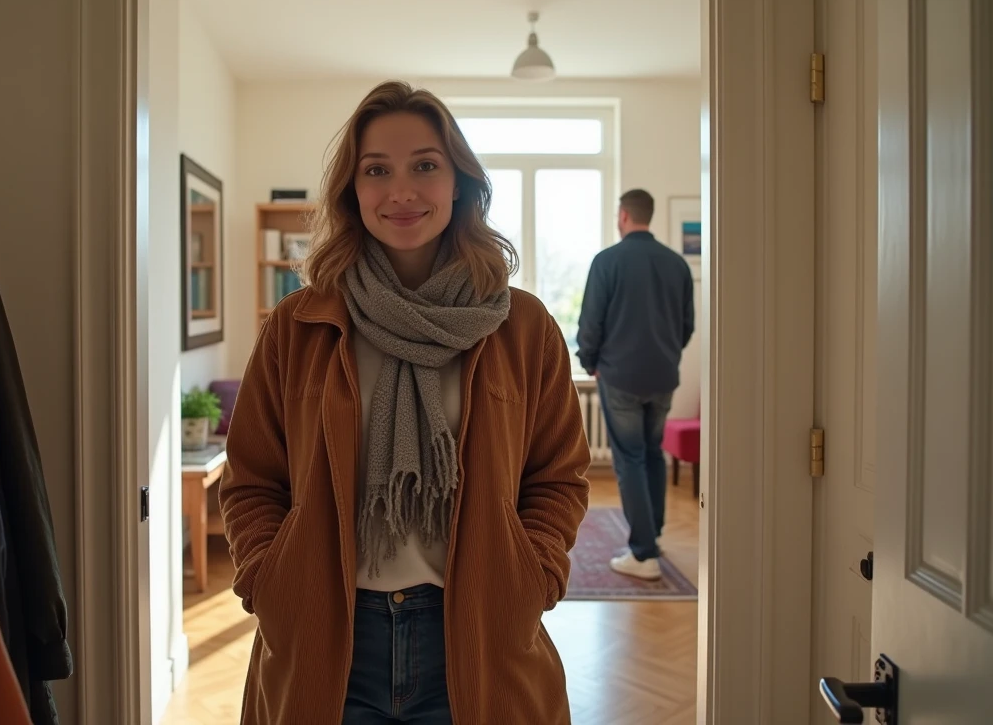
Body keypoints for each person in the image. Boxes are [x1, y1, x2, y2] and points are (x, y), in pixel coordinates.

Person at [219, 80, 592, 724]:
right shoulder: (299, 326)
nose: (401, 191)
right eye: (376, 170)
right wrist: (269, 580)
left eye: (425, 165)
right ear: (352, 190)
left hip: (480, 637)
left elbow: (558, 476)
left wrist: (531, 579)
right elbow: (252, 480)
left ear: (460, 183)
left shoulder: (521, 327)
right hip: (326, 640)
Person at [575, 188, 695, 580]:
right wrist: (667, 356)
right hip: (663, 376)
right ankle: (652, 536)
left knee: (629, 459)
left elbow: (591, 322)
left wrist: (590, 362)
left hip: (620, 376)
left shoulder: (607, 261)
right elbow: (686, 325)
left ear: (624, 215)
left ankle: (643, 554)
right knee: (650, 454)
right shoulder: (676, 264)